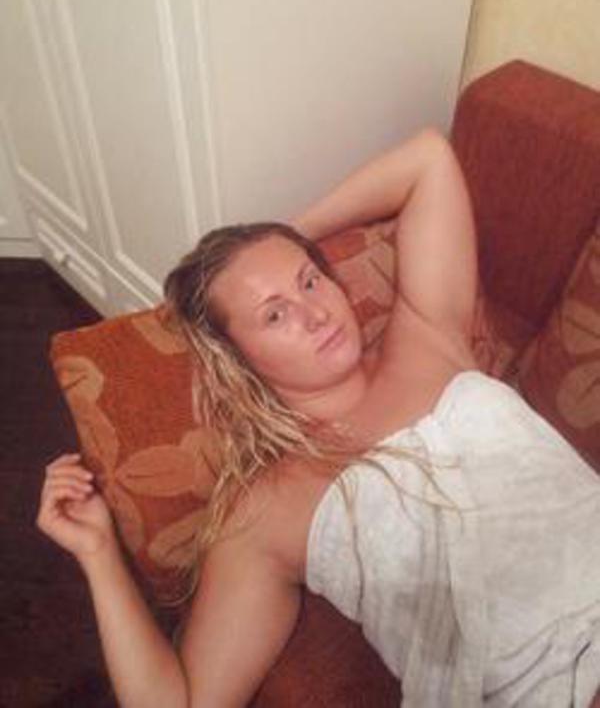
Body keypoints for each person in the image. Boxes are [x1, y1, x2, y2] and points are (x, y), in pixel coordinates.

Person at [37, 128, 600, 708]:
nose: (314, 313)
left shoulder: (427, 335)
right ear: (238, 359)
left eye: (310, 280)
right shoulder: (267, 513)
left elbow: (427, 159)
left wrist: (285, 239)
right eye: (274, 315)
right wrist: (98, 553)